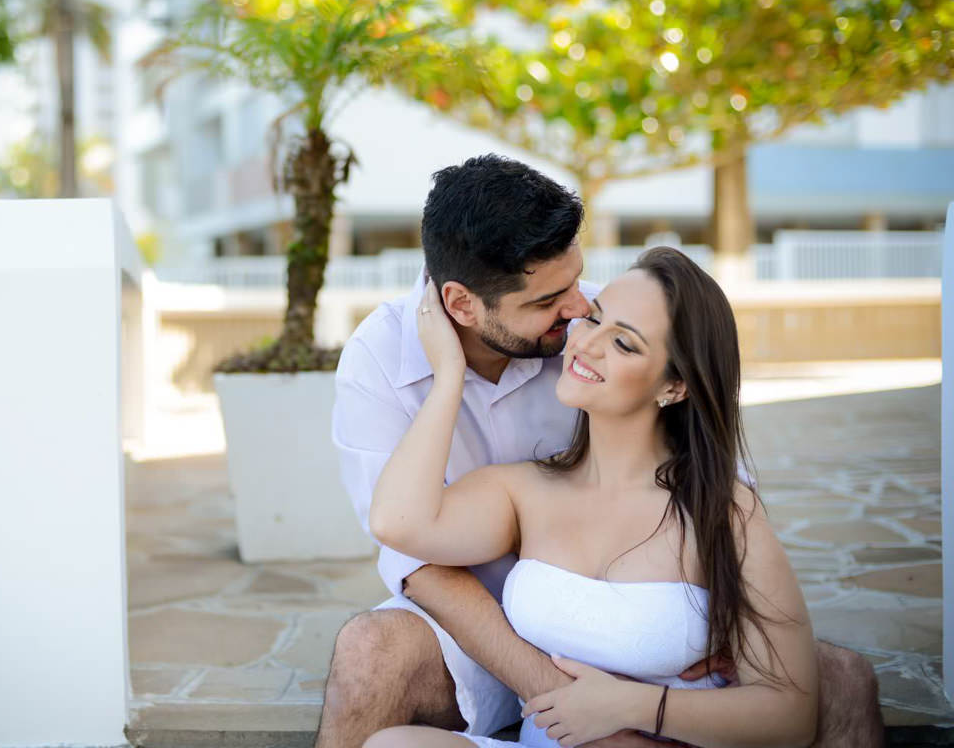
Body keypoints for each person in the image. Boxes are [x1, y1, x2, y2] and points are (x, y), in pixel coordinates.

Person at [317, 154, 884, 748]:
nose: (579, 319)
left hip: (648, 645)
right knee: (371, 659)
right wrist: (448, 376)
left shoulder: (589, 320)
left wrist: (660, 682)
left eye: (583, 292)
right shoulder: (396, 372)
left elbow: (716, 491)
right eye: (550, 304)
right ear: (460, 306)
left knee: (842, 680)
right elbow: (406, 543)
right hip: (479, 624)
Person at [366, 246, 817, 747]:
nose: (586, 345)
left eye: (624, 343)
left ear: (674, 386)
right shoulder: (521, 491)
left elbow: (790, 715)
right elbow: (397, 524)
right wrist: (448, 375)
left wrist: (631, 706)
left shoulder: (722, 510)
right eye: (594, 320)